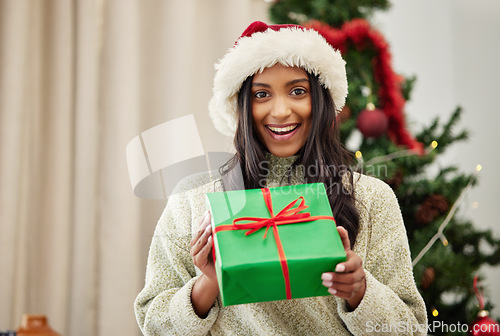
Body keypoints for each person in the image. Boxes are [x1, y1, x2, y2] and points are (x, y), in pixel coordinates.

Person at [134, 21, 427, 335]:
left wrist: (359, 291)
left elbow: (409, 329)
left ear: (323, 99)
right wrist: (210, 283)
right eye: (262, 94)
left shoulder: (371, 198)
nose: (281, 110)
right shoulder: (193, 199)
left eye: (298, 91)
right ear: (241, 106)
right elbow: (154, 324)